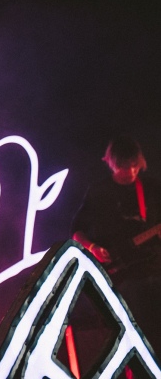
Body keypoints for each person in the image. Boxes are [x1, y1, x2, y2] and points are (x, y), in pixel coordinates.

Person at [71, 134, 161, 352]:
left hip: (154, 269)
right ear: (111, 163)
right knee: (137, 337)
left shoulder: (152, 188)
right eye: (124, 167)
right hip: (121, 276)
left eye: (134, 166)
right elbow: (76, 230)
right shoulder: (99, 192)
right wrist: (93, 248)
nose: (130, 172)